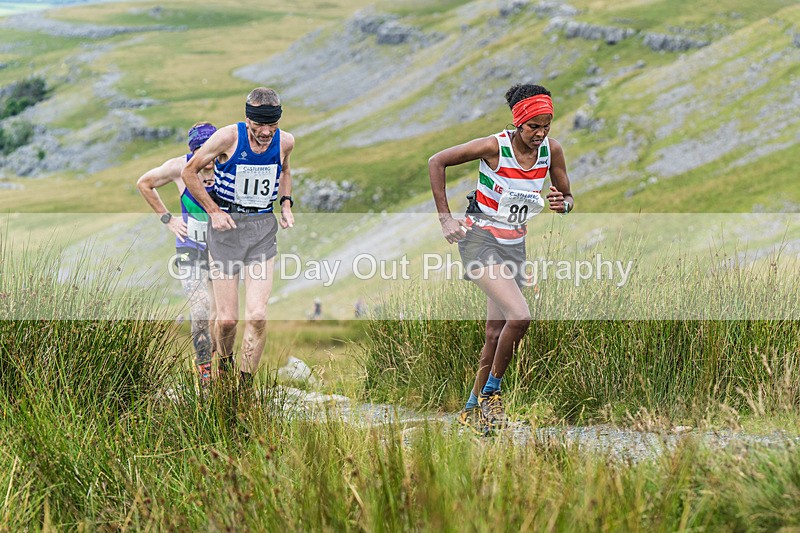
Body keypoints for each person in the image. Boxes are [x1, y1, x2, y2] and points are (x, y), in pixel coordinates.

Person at [428, 83, 573, 434]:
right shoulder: (494, 146)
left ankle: (469, 410)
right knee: (520, 316)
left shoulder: (551, 151)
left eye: (546, 126)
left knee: (496, 332)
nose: (540, 134)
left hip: (514, 245)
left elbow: (567, 196)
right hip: (479, 240)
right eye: (533, 127)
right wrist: (446, 218)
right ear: (518, 122)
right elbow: (437, 161)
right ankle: (492, 395)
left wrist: (563, 204)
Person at [181, 87, 295, 393]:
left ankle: (242, 389)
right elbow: (189, 171)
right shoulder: (227, 138)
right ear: (248, 120)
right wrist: (213, 211)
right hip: (226, 231)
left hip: (261, 230)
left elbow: (285, 169)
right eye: (260, 127)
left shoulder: (285, 141)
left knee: (257, 316)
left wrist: (285, 203)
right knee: (228, 321)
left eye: (272, 127)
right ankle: (225, 364)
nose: (266, 133)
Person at [136, 122, 219, 386]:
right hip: (190, 247)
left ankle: (218, 367)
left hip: (222, 249)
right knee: (200, 307)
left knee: (221, 314)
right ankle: (205, 375)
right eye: (199, 154)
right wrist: (168, 219)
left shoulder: (227, 164)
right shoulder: (177, 167)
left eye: (210, 154)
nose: (207, 163)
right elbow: (144, 183)